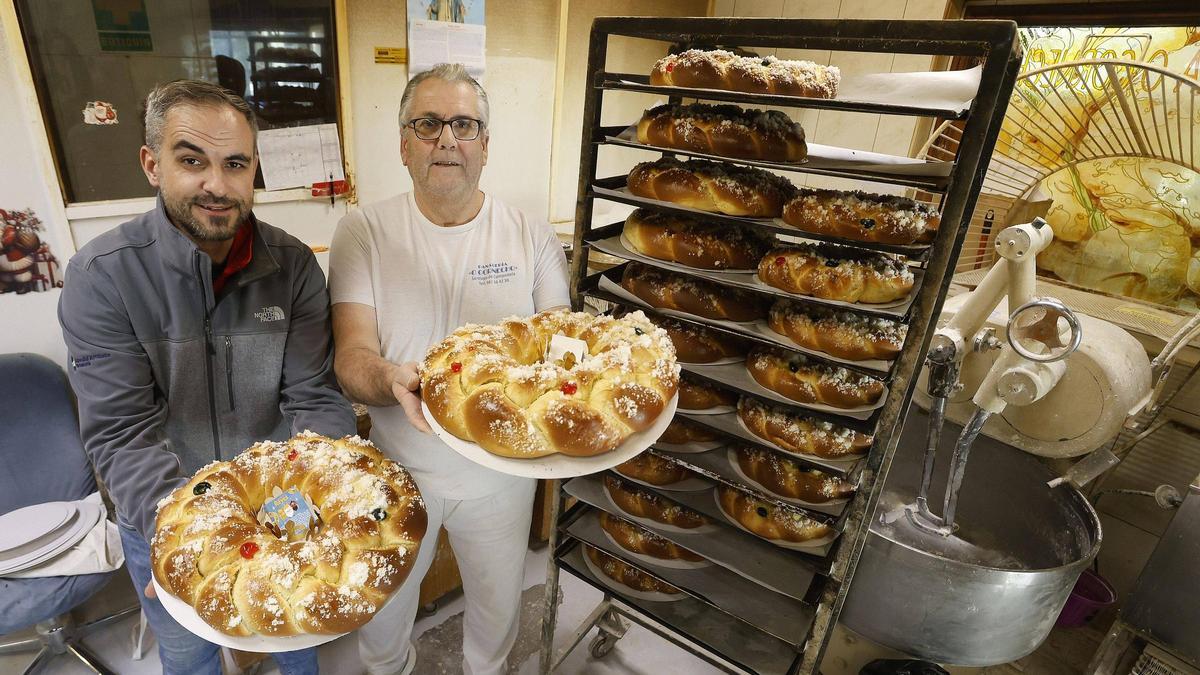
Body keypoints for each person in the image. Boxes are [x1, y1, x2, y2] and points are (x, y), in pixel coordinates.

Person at [58, 79, 355, 675]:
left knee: (296, 644)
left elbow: (313, 395)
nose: (216, 185)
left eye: (235, 164)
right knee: (190, 655)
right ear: (151, 164)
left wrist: (316, 501)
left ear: (253, 172)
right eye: (192, 160)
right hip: (165, 520)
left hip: (284, 509)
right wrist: (188, 540)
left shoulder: (292, 265)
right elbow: (122, 435)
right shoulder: (102, 278)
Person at [328, 63, 569, 675]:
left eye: (464, 124)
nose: (446, 138)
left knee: (495, 616)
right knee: (382, 624)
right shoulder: (364, 231)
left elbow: (562, 352)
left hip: (502, 479)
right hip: (397, 473)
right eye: (428, 123)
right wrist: (390, 379)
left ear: (485, 145)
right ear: (403, 144)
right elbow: (350, 358)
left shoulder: (529, 235)